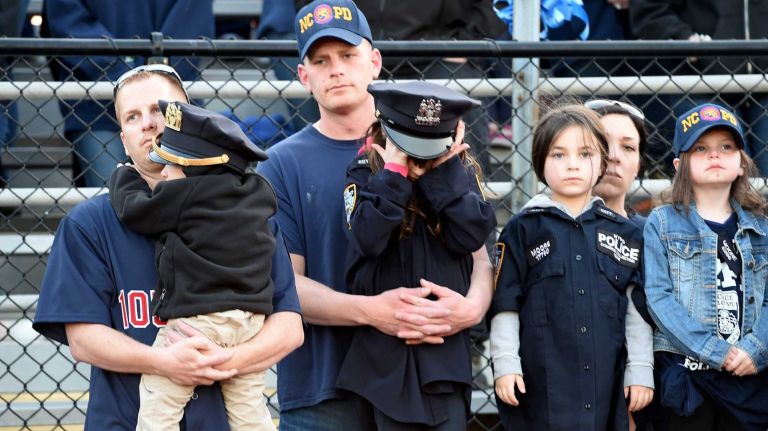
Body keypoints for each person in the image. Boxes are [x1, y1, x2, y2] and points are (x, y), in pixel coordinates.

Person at [256, 1, 494, 428]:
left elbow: (479, 256)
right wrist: (371, 311)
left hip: (420, 377)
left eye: (348, 56)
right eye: (321, 60)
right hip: (322, 386)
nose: (337, 69)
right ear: (303, 76)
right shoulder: (279, 164)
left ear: (375, 62)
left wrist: (472, 309)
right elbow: (285, 283)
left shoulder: (431, 144)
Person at [32, 65, 303, 430]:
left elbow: (289, 325)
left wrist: (228, 358)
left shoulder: (247, 213)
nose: (147, 123)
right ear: (124, 139)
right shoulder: (88, 223)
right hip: (127, 420)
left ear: (190, 119)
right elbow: (83, 340)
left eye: (159, 110)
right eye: (132, 116)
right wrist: (163, 362)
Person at [108, 100, 279, 431]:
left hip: (199, 323)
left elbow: (135, 209)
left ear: (197, 169)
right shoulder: (256, 193)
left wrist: (123, 175)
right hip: (251, 323)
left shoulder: (187, 194)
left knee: (160, 404)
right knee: (249, 411)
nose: (165, 173)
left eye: (171, 166)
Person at [335, 82, 497, 429]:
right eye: (411, 146)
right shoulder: (365, 171)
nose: (419, 159)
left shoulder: (458, 176)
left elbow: (471, 235)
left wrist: (445, 173)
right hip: (382, 363)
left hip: (443, 359)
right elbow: (366, 239)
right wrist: (394, 173)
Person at [490, 104, 644, 430]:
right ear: (540, 163)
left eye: (585, 154)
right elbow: (505, 304)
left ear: (602, 161)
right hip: (542, 391)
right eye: (558, 155)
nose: (572, 165)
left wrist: (641, 368)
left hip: (608, 390)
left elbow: (636, 309)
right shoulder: (523, 229)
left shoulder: (625, 234)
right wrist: (505, 364)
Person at [643, 103, 768, 430]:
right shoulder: (661, 223)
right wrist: (714, 351)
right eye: (700, 148)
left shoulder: (762, 229)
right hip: (689, 377)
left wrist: (756, 349)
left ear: (741, 163)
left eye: (726, 147)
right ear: (678, 165)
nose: (714, 155)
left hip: (747, 374)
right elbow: (659, 298)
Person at [43, 0, 214, 187]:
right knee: (114, 204)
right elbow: (67, 18)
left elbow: (192, 16)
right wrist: (128, 71)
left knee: (182, 199)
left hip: (168, 103)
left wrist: (154, 74)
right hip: (98, 104)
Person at [630, 0, 768, 176]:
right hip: (700, 80)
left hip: (764, 81)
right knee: (720, 176)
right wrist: (685, 39)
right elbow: (648, 10)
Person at [587, 99, 656, 427]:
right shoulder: (534, 228)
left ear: (639, 163)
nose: (613, 155)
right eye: (602, 142)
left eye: (628, 147)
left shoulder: (654, 238)